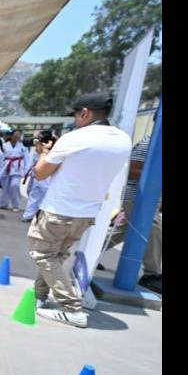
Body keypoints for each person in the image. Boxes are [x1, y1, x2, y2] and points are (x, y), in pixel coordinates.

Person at [28, 93, 132, 328]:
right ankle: (40, 297)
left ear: (85, 113)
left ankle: (72, 308)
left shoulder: (75, 137)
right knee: (54, 256)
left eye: (76, 114)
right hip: (86, 213)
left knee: (43, 254)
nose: (75, 120)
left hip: (59, 209)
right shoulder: (123, 140)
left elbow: (41, 173)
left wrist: (44, 152)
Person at [97, 134, 162, 294]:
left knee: (122, 231)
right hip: (137, 197)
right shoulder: (151, 141)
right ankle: (150, 275)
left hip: (151, 198)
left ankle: (91, 253)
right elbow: (132, 169)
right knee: (153, 229)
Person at [21, 130, 56, 222]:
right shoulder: (43, 145)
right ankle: (32, 214)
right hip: (39, 173)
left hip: (43, 173)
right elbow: (26, 142)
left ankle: (30, 215)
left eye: (40, 136)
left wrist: (49, 138)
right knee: (34, 194)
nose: (37, 138)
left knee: (37, 194)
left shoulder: (45, 146)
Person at [0, 129, 27, 211]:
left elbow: (27, 159)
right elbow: (0, 157)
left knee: (14, 186)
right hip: (6, 167)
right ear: (11, 136)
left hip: (17, 168)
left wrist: (26, 171)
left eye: (18, 135)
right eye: (15, 135)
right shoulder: (4, 145)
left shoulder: (22, 146)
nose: (17, 136)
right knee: (5, 186)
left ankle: (16, 205)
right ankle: (3, 204)